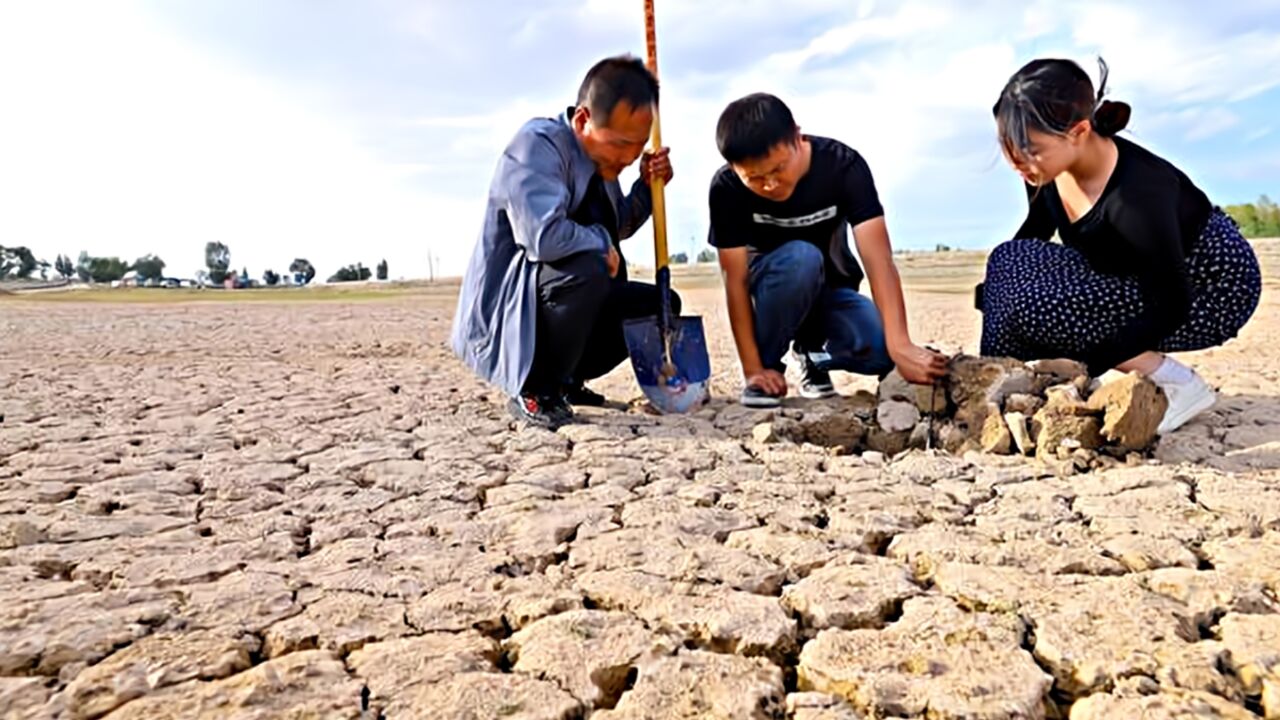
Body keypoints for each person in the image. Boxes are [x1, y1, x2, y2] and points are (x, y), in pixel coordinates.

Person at [982, 58, 1261, 434]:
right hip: (1129, 269)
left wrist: (1086, 368)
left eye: (1028, 150)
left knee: (1037, 308)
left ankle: (1177, 383)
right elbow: (1033, 234)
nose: (1017, 163)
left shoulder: (1137, 197)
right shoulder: (1046, 167)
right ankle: (1002, 385)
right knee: (1006, 264)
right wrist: (994, 299)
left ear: (1078, 132)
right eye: (1010, 149)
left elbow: (1171, 303)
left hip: (1206, 287)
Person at [452, 56, 678, 429]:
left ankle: (569, 380)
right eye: (621, 144)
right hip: (514, 311)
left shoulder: (604, 161)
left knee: (660, 305)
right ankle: (535, 388)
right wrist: (600, 242)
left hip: (569, 296)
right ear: (583, 120)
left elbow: (616, 225)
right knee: (587, 265)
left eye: (636, 148)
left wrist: (645, 185)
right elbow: (543, 238)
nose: (627, 157)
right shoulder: (536, 145)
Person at [707, 93, 947, 408]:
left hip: (830, 295)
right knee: (801, 259)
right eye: (754, 178)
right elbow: (735, 281)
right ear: (734, 168)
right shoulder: (726, 189)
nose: (770, 185)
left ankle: (812, 357)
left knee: (879, 348)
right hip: (771, 300)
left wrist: (900, 345)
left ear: (797, 136)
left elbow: (878, 260)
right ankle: (767, 371)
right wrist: (753, 369)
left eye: (779, 169)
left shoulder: (843, 166)